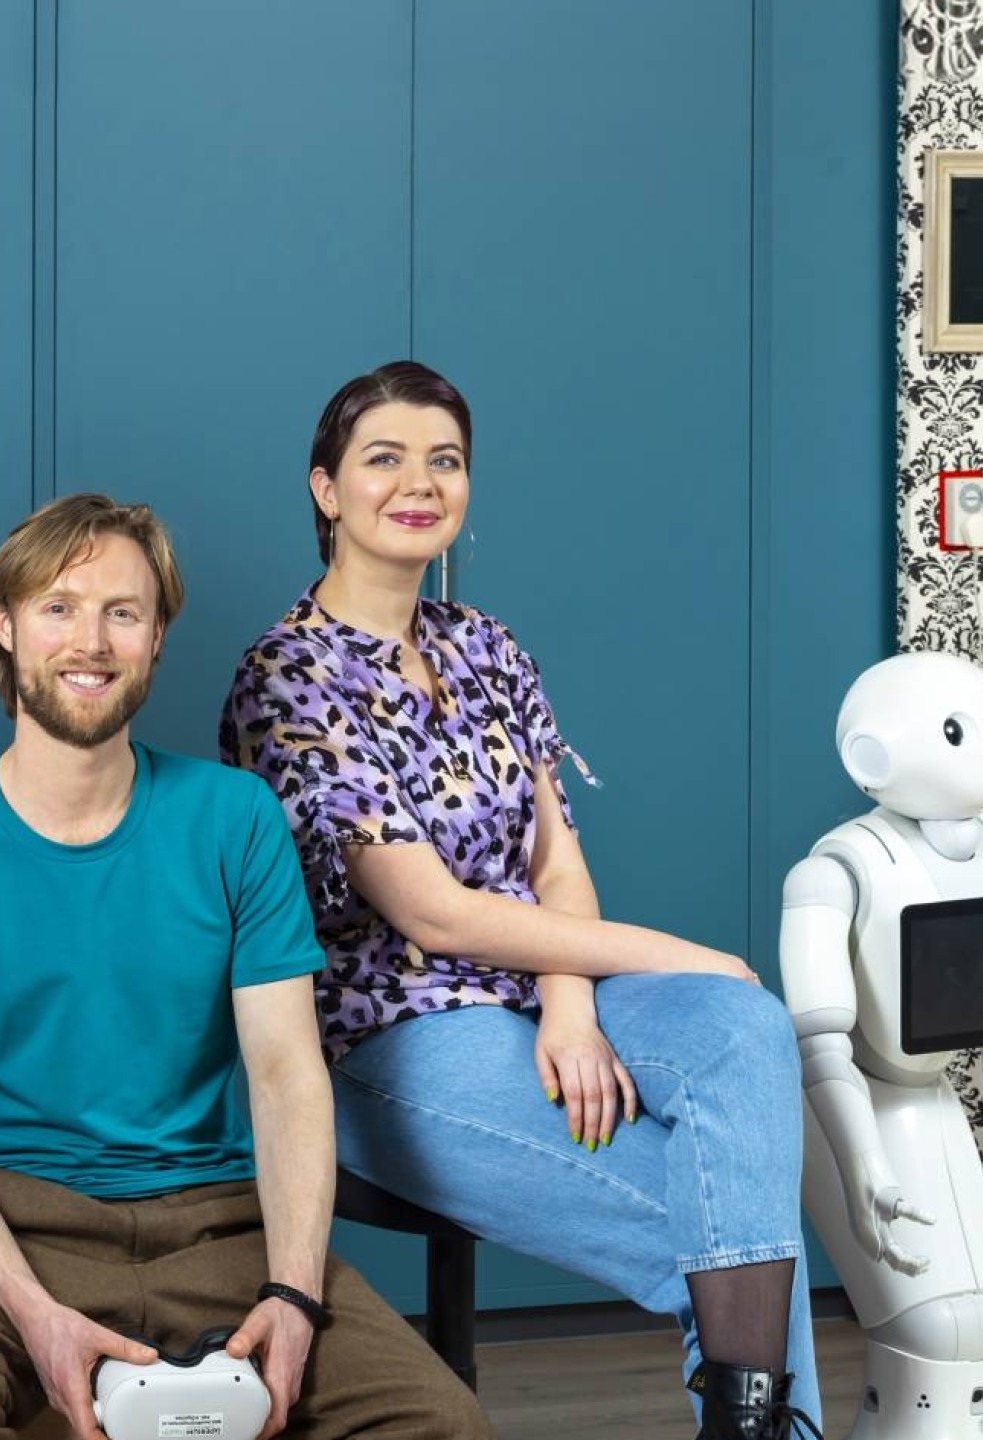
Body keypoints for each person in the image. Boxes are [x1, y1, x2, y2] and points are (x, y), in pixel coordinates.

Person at [220, 362, 821, 1440]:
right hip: (387, 1033)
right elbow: (431, 915)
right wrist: (679, 951)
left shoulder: (485, 645)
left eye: (442, 460)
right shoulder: (288, 674)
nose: (419, 482)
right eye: (384, 458)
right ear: (324, 489)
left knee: (744, 1025)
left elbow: (555, 865)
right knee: (734, 1217)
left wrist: (571, 998)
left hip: (533, 990)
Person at [0, 493, 491, 1440]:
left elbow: (283, 1076)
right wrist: (32, 1312)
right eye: (59, 608)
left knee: (444, 1426)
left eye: (123, 612)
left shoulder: (233, 819)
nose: (91, 641)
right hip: (12, 1221)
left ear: (157, 636)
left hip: (221, 1225)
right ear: (5, 626)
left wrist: (294, 1294)